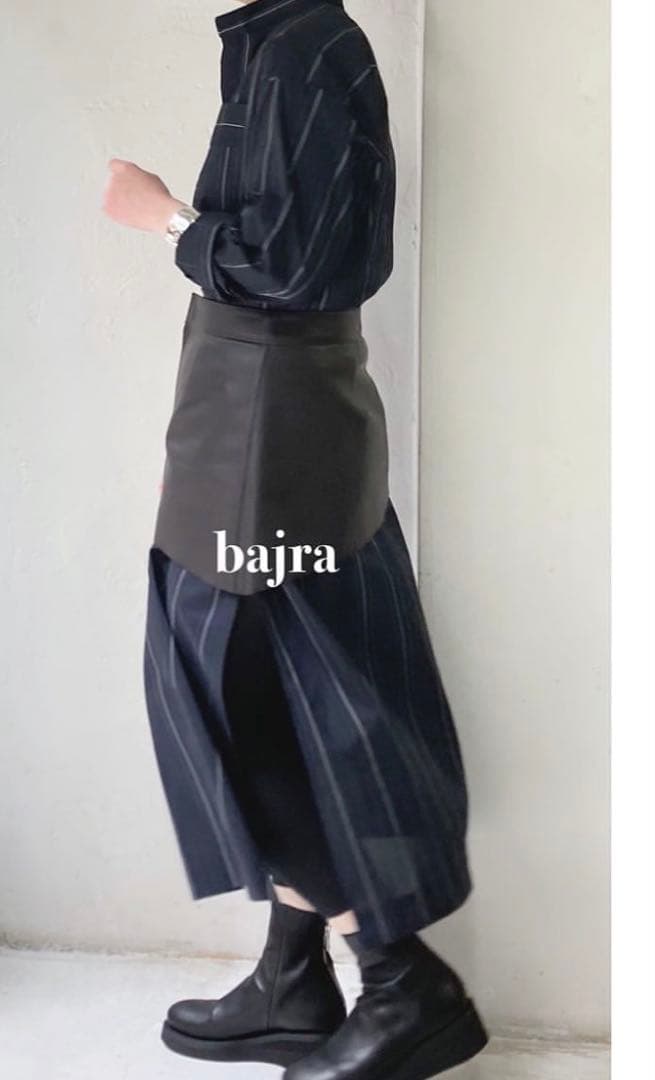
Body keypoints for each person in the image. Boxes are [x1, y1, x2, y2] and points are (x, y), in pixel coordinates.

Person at [102, 1, 488, 1077]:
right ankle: (292, 979)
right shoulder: (282, 44)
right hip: (258, 413)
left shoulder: (301, 50)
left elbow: (293, 268)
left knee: (257, 703)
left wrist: (164, 217)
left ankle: (405, 986)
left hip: (267, 425)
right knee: (271, 685)